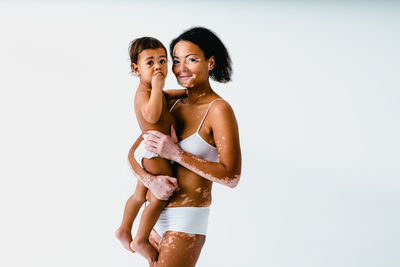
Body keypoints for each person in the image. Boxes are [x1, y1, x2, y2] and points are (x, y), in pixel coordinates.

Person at [128, 27, 242, 267]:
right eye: (176, 61)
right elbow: (134, 153)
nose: (181, 68)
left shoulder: (219, 110)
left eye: (191, 60)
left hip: (186, 217)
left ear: (210, 63)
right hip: (154, 216)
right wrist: (150, 181)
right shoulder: (170, 103)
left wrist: (176, 154)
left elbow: (231, 177)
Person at [115, 37, 186, 264]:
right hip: (156, 153)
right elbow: (153, 115)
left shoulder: (155, 92)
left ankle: (124, 229)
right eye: (150, 62)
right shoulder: (144, 93)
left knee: (139, 195)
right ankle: (141, 239)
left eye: (162, 61)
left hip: (150, 151)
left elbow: (166, 98)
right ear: (136, 69)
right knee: (157, 198)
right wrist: (157, 87)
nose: (158, 67)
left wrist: (185, 93)